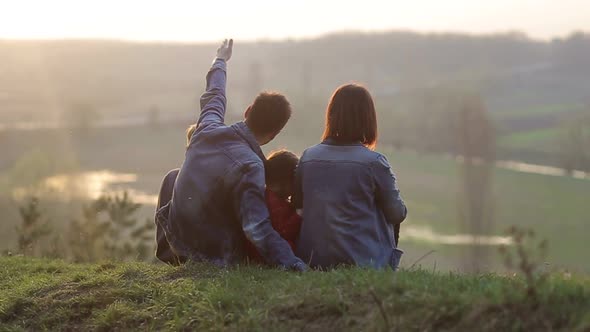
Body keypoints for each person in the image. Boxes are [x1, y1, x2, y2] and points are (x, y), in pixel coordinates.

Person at [155, 39, 307, 271]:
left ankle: (168, 254)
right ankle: (185, 257)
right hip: (211, 255)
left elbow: (214, 93)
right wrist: (293, 263)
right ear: (274, 135)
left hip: (174, 233)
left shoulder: (206, 127)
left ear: (247, 111)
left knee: (174, 177)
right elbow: (257, 228)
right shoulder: (251, 166)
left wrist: (221, 59)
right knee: (242, 207)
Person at [293, 83, 407, 269]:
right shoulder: (374, 162)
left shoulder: (308, 157)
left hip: (313, 260)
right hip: (364, 262)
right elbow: (397, 213)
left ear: (332, 115)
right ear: (368, 119)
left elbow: (298, 206)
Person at [245, 150, 302, 262]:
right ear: (286, 181)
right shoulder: (273, 202)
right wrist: (299, 215)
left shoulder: (267, 196)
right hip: (265, 253)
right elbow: (283, 231)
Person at [155, 124, 196, 264]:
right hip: (220, 258)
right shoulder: (225, 176)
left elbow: (161, 225)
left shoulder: (173, 178)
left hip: (174, 255)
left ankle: (175, 256)